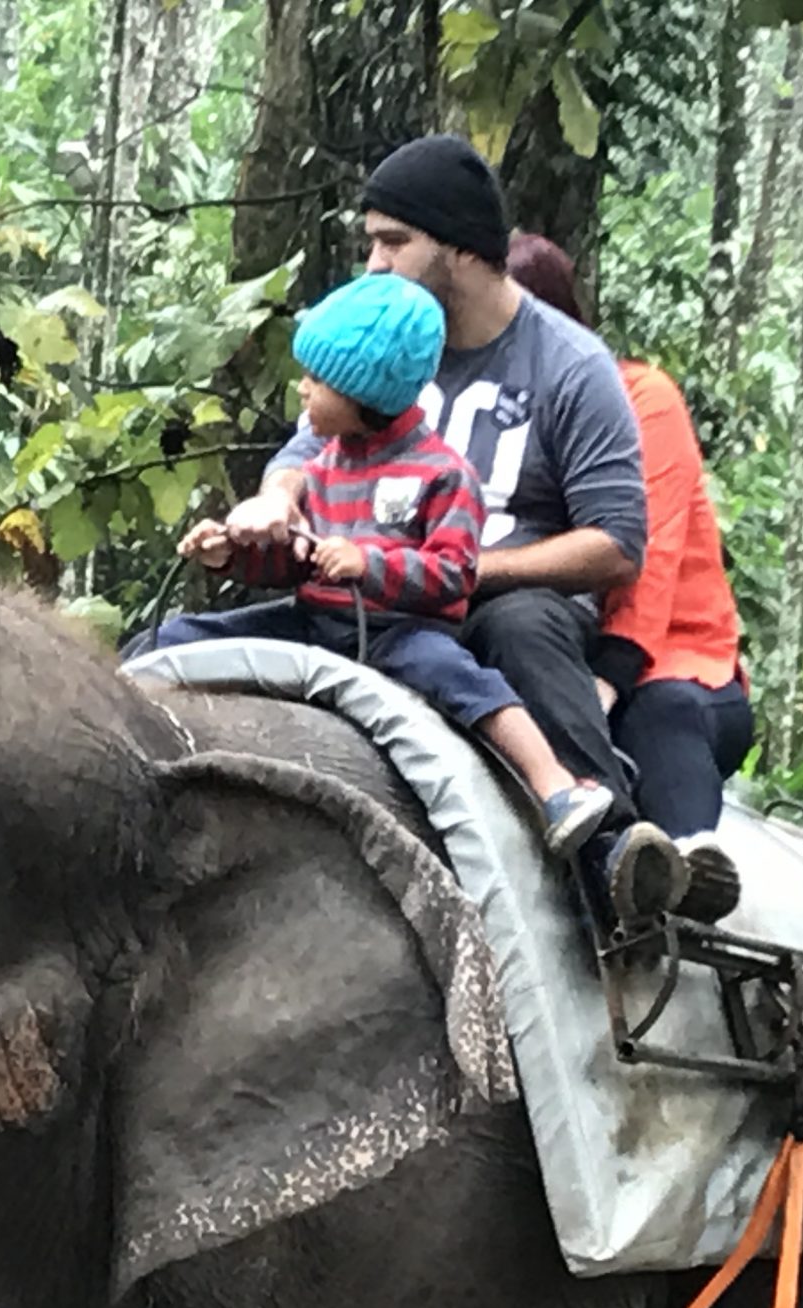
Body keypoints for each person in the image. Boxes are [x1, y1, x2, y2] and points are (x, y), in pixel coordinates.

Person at [228, 134, 687, 924]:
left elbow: (617, 545)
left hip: (495, 599)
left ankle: (607, 851)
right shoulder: (385, 340)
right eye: (371, 240)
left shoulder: (572, 367)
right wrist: (274, 502)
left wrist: (475, 570)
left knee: (524, 623)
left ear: (465, 253)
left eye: (394, 241)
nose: (374, 262)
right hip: (368, 592)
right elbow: (302, 454)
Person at [138, 273, 616, 855]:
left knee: (471, 686)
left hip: (401, 632)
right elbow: (295, 563)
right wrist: (232, 556)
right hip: (315, 621)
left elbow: (454, 576)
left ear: (367, 391)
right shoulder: (323, 467)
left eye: (318, 379)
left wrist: (368, 564)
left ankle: (554, 786)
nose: (303, 392)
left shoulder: (443, 474)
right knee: (179, 639)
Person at [506, 231, 750, 924]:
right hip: (557, 644)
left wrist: (606, 681)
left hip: (670, 662)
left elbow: (649, 556)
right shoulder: (484, 407)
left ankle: (678, 871)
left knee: (660, 708)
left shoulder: (639, 397)